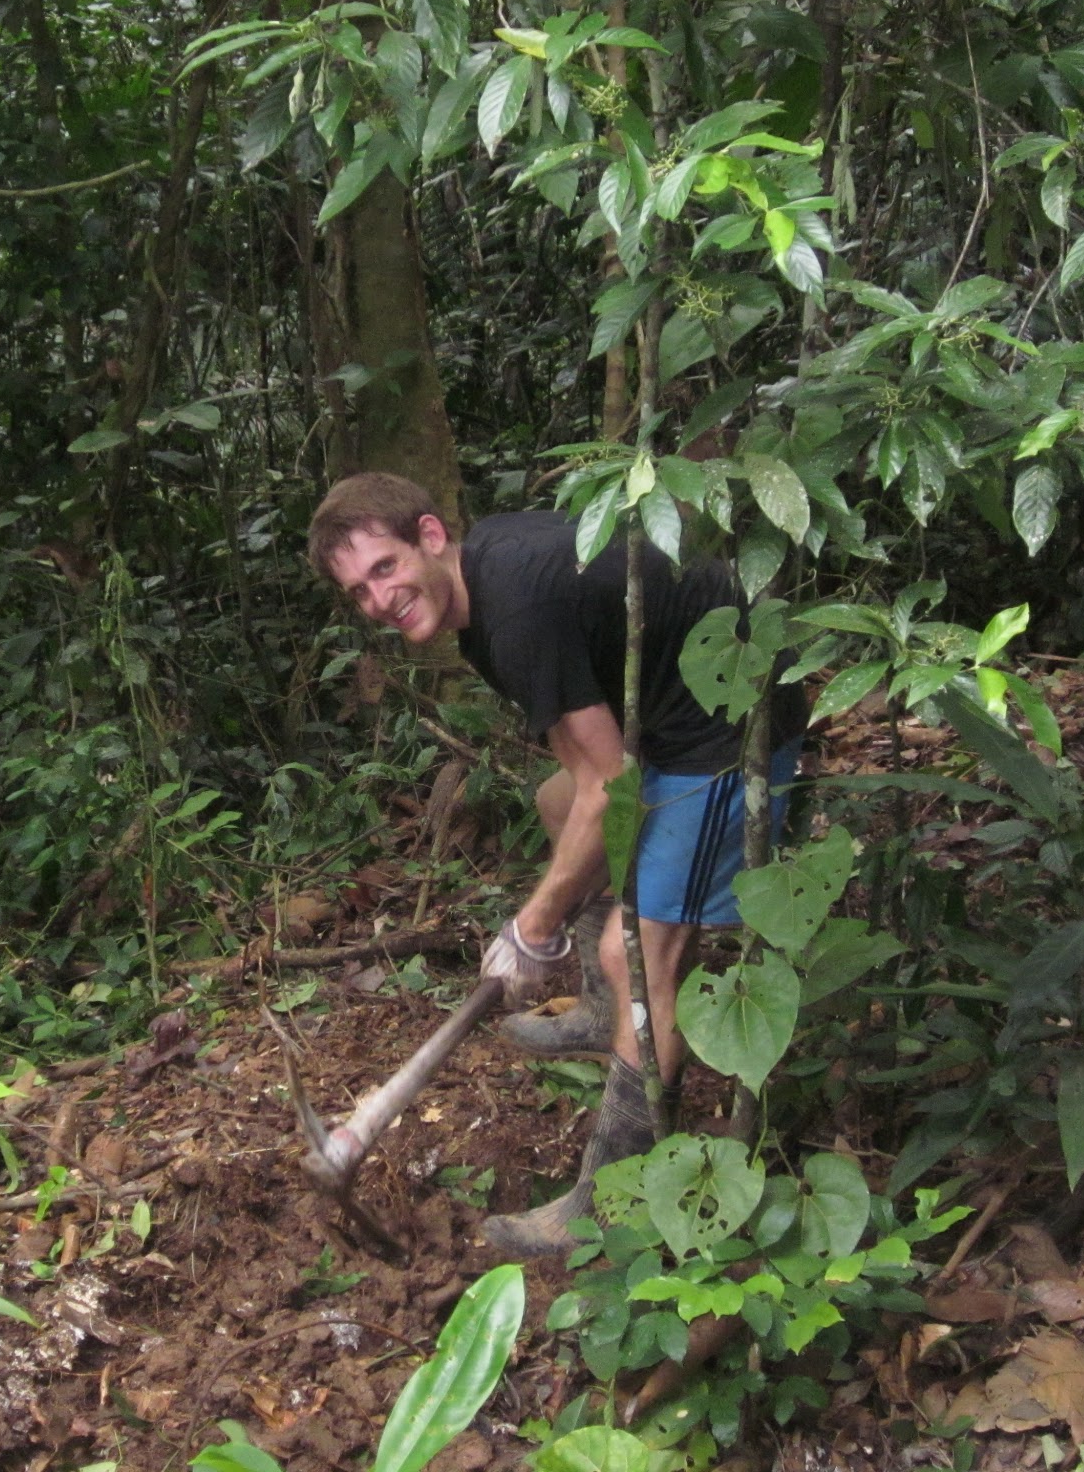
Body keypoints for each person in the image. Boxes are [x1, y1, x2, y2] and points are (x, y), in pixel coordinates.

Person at [307, 472, 804, 1258]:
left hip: (732, 719)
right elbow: (586, 769)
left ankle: (609, 1200)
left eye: (385, 568)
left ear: (430, 537)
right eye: (359, 591)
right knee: (554, 802)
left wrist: (532, 927)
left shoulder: (516, 608)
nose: (379, 600)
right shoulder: (484, 592)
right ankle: (606, 1015)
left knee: (636, 956)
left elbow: (612, 787)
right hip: (666, 710)